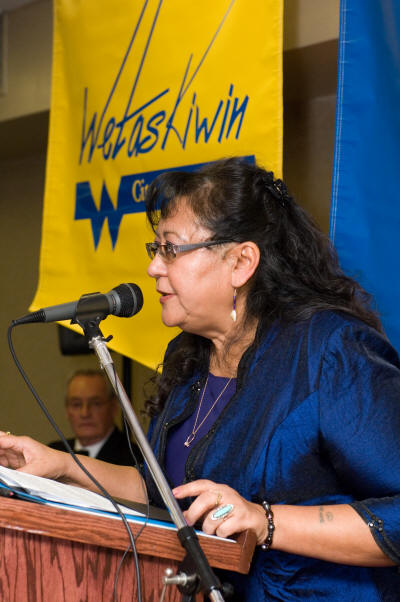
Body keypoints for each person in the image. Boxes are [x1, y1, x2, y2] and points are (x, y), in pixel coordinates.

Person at [0, 157, 399, 600]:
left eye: (170, 249)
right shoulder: (189, 356)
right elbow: (165, 492)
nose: (154, 267)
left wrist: (266, 522)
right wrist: (60, 466)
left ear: (241, 262)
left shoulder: (330, 351)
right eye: (155, 249)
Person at [49, 369, 142, 466]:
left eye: (95, 404)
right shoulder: (54, 453)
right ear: (67, 410)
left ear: (114, 407)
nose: (85, 413)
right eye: (76, 404)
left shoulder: (135, 459)